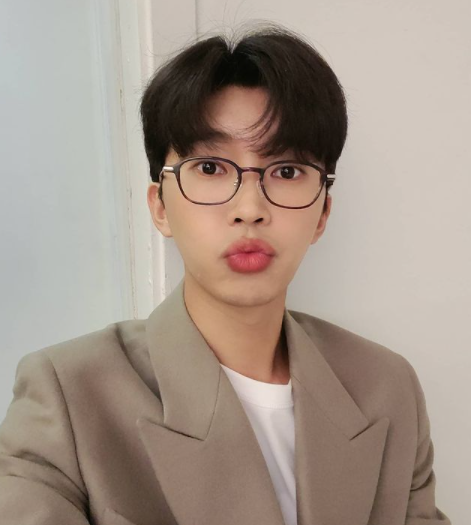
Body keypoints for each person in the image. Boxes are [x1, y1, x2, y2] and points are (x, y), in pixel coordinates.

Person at [0, 24, 451, 525]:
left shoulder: (386, 388)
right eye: (211, 168)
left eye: (286, 171)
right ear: (160, 207)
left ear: (323, 213)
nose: (250, 208)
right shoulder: (68, 394)